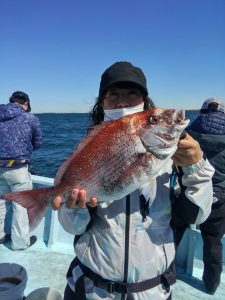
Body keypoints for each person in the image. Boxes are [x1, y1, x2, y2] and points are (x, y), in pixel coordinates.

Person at [52, 62, 215, 300]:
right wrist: (77, 209)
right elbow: (73, 228)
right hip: (91, 290)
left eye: (132, 94)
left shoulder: (177, 158)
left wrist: (196, 168)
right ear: (102, 103)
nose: (122, 102)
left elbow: (196, 216)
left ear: (145, 101)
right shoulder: (92, 152)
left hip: (152, 291)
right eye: (113, 95)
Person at [186, 97, 225, 295]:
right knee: (213, 241)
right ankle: (211, 285)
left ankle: (167, 273)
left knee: (174, 231)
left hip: (190, 195)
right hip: (219, 199)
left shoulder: (190, 130)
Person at [0, 91, 42, 250]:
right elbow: (38, 142)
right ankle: (19, 243)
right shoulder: (30, 118)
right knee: (21, 205)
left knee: (0, 201)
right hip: (18, 167)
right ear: (26, 103)